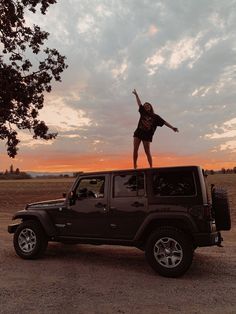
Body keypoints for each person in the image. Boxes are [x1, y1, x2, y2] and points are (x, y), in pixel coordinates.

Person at [132, 89, 179, 169]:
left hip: (147, 136)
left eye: (148, 105)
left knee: (147, 152)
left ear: (150, 107)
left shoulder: (156, 117)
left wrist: (172, 128)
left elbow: (164, 122)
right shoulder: (143, 112)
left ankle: (151, 167)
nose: (146, 106)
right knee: (135, 149)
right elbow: (139, 103)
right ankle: (135, 166)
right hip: (138, 133)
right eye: (145, 105)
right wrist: (136, 95)